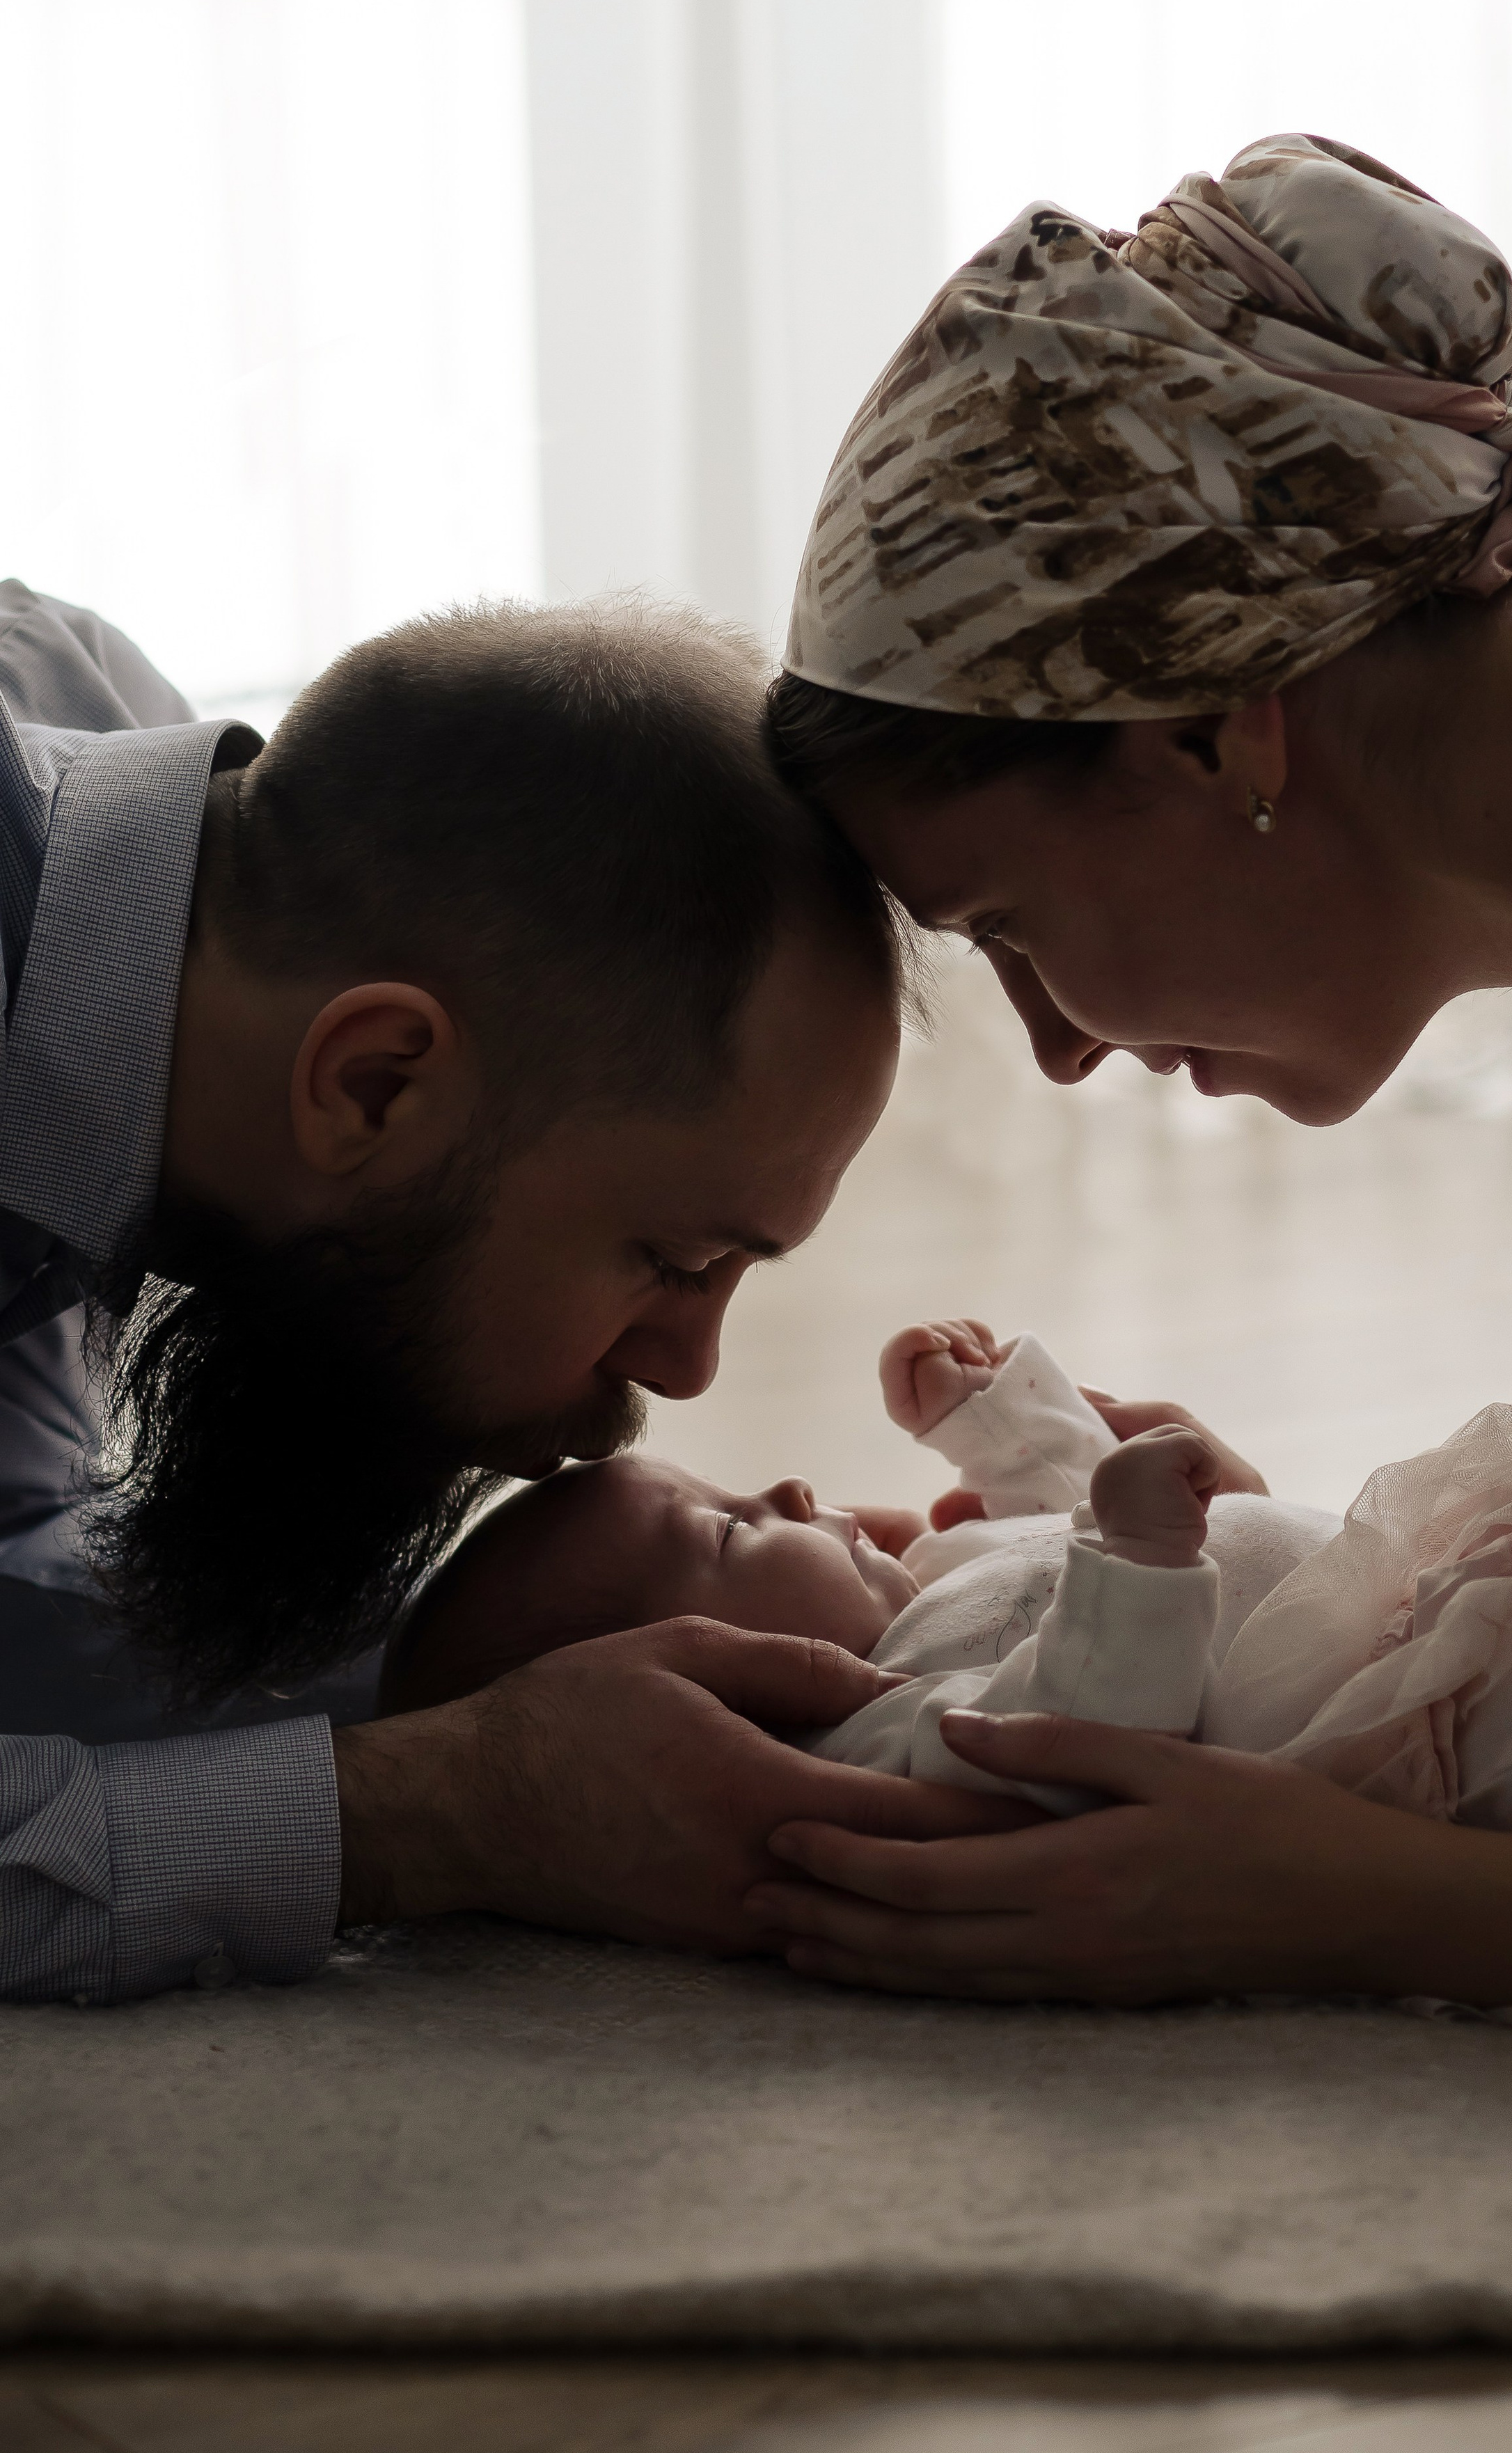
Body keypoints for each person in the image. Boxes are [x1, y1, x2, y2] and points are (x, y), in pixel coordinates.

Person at [753, 134, 1512, 2051]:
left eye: (1007, 924)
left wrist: (1352, 1894)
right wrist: (1331, 1616)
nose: (1057, 1048)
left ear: (1220, 725)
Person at [0, 584, 1014, 2005]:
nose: (686, 1373)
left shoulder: (176, 906)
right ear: (374, 1082)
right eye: (669, 1262)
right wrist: (446, 1807)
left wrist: (529, 1643)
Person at [388, 1317, 1512, 1881]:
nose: (800, 1493)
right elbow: (1072, 1739)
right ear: (721, 1670)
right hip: (1433, 1728)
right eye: (738, 1532)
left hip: (1453, 1587)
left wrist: (995, 1413)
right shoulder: (870, 1731)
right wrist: (1130, 1549)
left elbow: (1065, 1497)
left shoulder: (928, 1582)